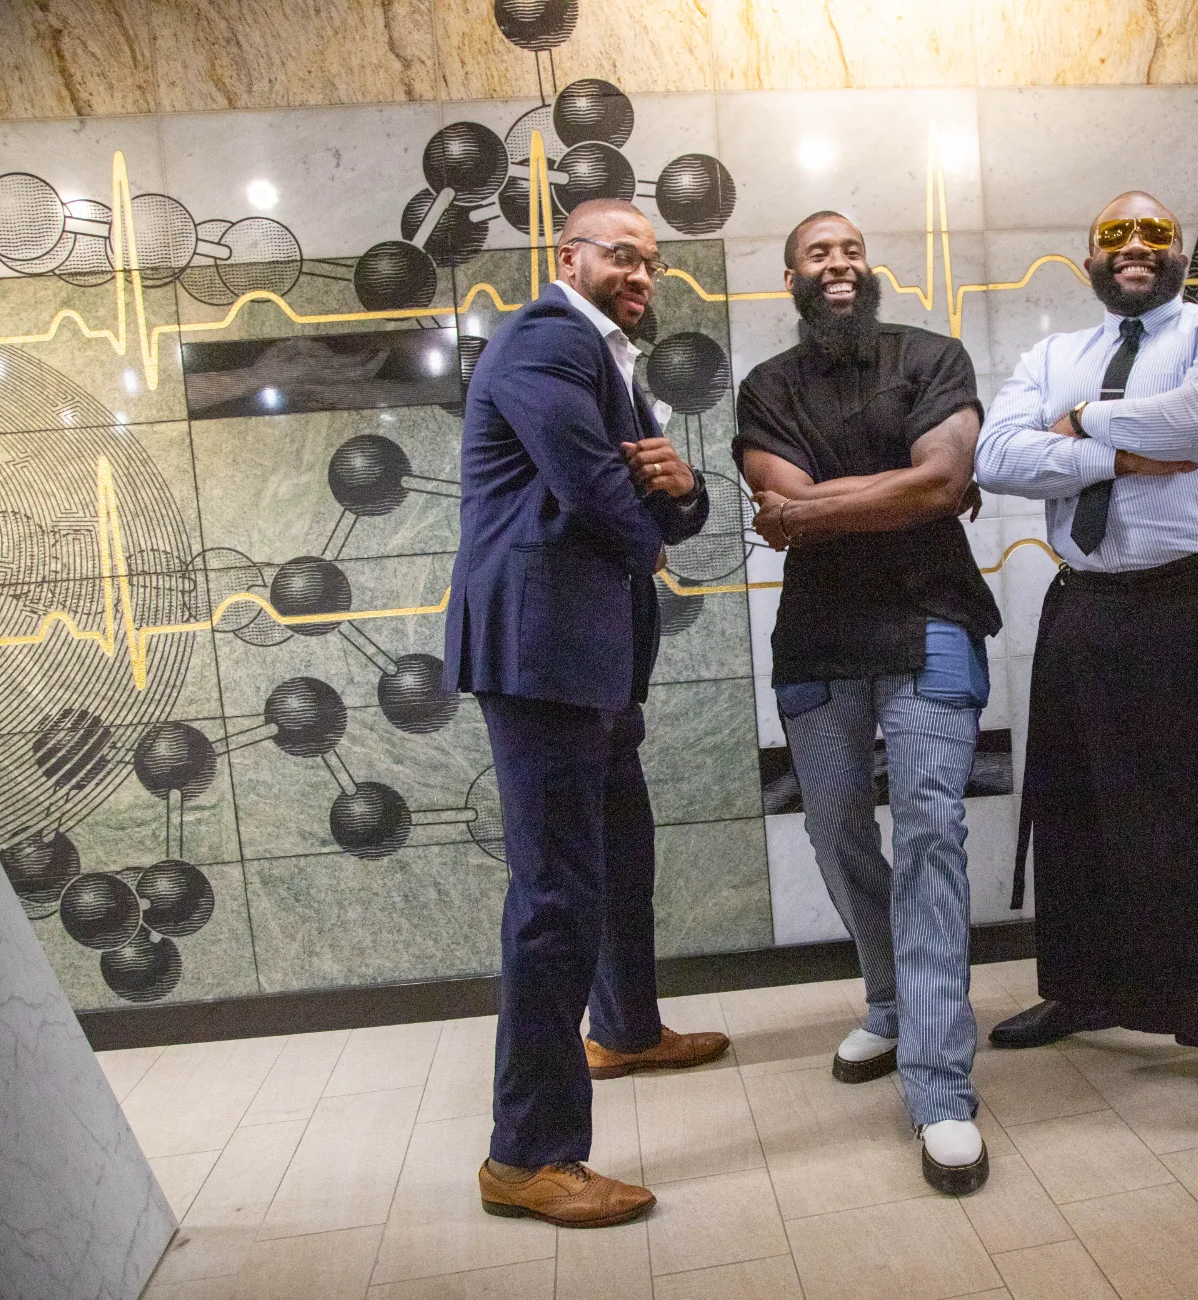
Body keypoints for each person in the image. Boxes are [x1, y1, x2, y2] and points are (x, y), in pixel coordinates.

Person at [974, 191, 1198, 1159]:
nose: (1135, 245)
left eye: (1154, 233)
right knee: (1081, 811)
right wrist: (1125, 459)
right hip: (1088, 605)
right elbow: (996, 456)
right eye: (1114, 234)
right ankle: (1086, 988)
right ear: (1088, 257)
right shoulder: (1053, 353)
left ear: (1179, 252)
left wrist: (1081, 425)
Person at [445, 198, 730, 1226]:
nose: (642, 274)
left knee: (621, 852)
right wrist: (655, 531)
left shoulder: (603, 359)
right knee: (556, 895)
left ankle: (626, 1028)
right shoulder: (547, 339)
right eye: (622, 255)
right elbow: (597, 487)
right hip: (543, 655)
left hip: (590, 659)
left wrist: (681, 493)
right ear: (568, 256)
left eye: (653, 262)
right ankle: (526, 1155)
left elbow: (665, 492)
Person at [736, 210, 1002, 1194]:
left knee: (931, 832)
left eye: (850, 249)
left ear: (868, 266)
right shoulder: (766, 388)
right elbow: (810, 508)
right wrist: (909, 489)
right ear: (793, 276)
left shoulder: (932, 357)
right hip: (818, 639)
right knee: (837, 831)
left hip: (932, 619)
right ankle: (891, 1002)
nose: (838, 263)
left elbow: (938, 482)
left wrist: (819, 506)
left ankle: (939, 1084)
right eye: (818, 252)